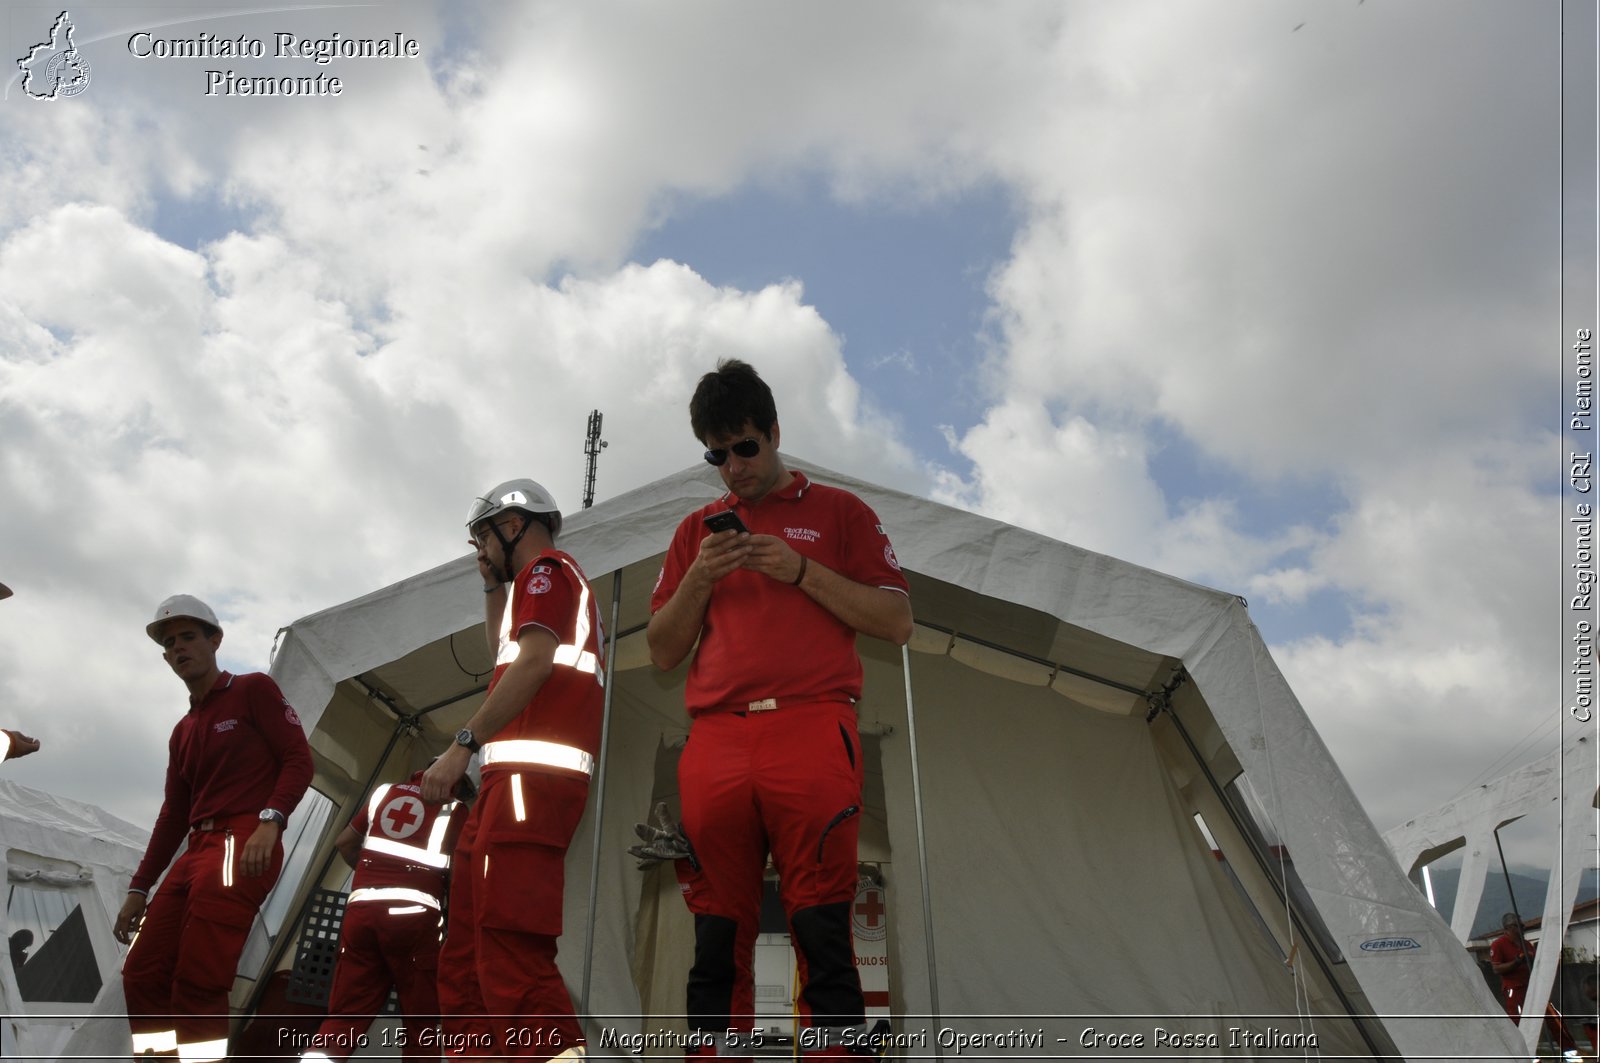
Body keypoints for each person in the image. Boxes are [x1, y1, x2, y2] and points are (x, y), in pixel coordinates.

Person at [646, 360, 912, 1059]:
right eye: (716, 453)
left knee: (821, 920)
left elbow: (897, 620)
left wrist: (801, 570)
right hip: (717, 738)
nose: (732, 467)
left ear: (774, 433)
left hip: (812, 725)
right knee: (715, 927)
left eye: (745, 447)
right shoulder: (693, 533)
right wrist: (700, 577)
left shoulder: (841, 513)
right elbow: (663, 649)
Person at [421, 479, 605, 1060]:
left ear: (513, 525)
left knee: (508, 950)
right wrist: (491, 587)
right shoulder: (531, 586)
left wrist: (462, 744)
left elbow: (531, 664)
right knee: (467, 952)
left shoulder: (548, 571)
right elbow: (503, 656)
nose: (478, 549)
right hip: (510, 790)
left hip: (529, 787)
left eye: (482, 536)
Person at [115, 594, 314, 1062]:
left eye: (188, 637)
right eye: (170, 643)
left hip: (241, 840)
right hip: (196, 848)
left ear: (215, 640)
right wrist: (139, 887)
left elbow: (298, 759)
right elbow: (171, 815)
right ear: (165, 658)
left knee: (199, 978)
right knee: (141, 973)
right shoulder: (183, 729)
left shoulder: (252, 689)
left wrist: (271, 820)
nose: (179, 648)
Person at [300, 766, 472, 1063]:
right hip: (414, 922)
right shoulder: (455, 810)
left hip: (361, 914)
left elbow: (344, 842)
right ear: (459, 783)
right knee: (421, 1027)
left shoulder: (383, 793)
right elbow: (458, 879)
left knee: (344, 1018)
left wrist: (375, 877)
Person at [1490, 912, 1535, 1019]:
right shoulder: (1498, 944)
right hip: (1514, 989)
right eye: (1520, 926)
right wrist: (1516, 962)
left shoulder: (1527, 944)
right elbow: (1496, 969)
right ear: (1509, 927)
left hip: (1531, 986)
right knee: (1519, 1018)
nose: (1523, 928)